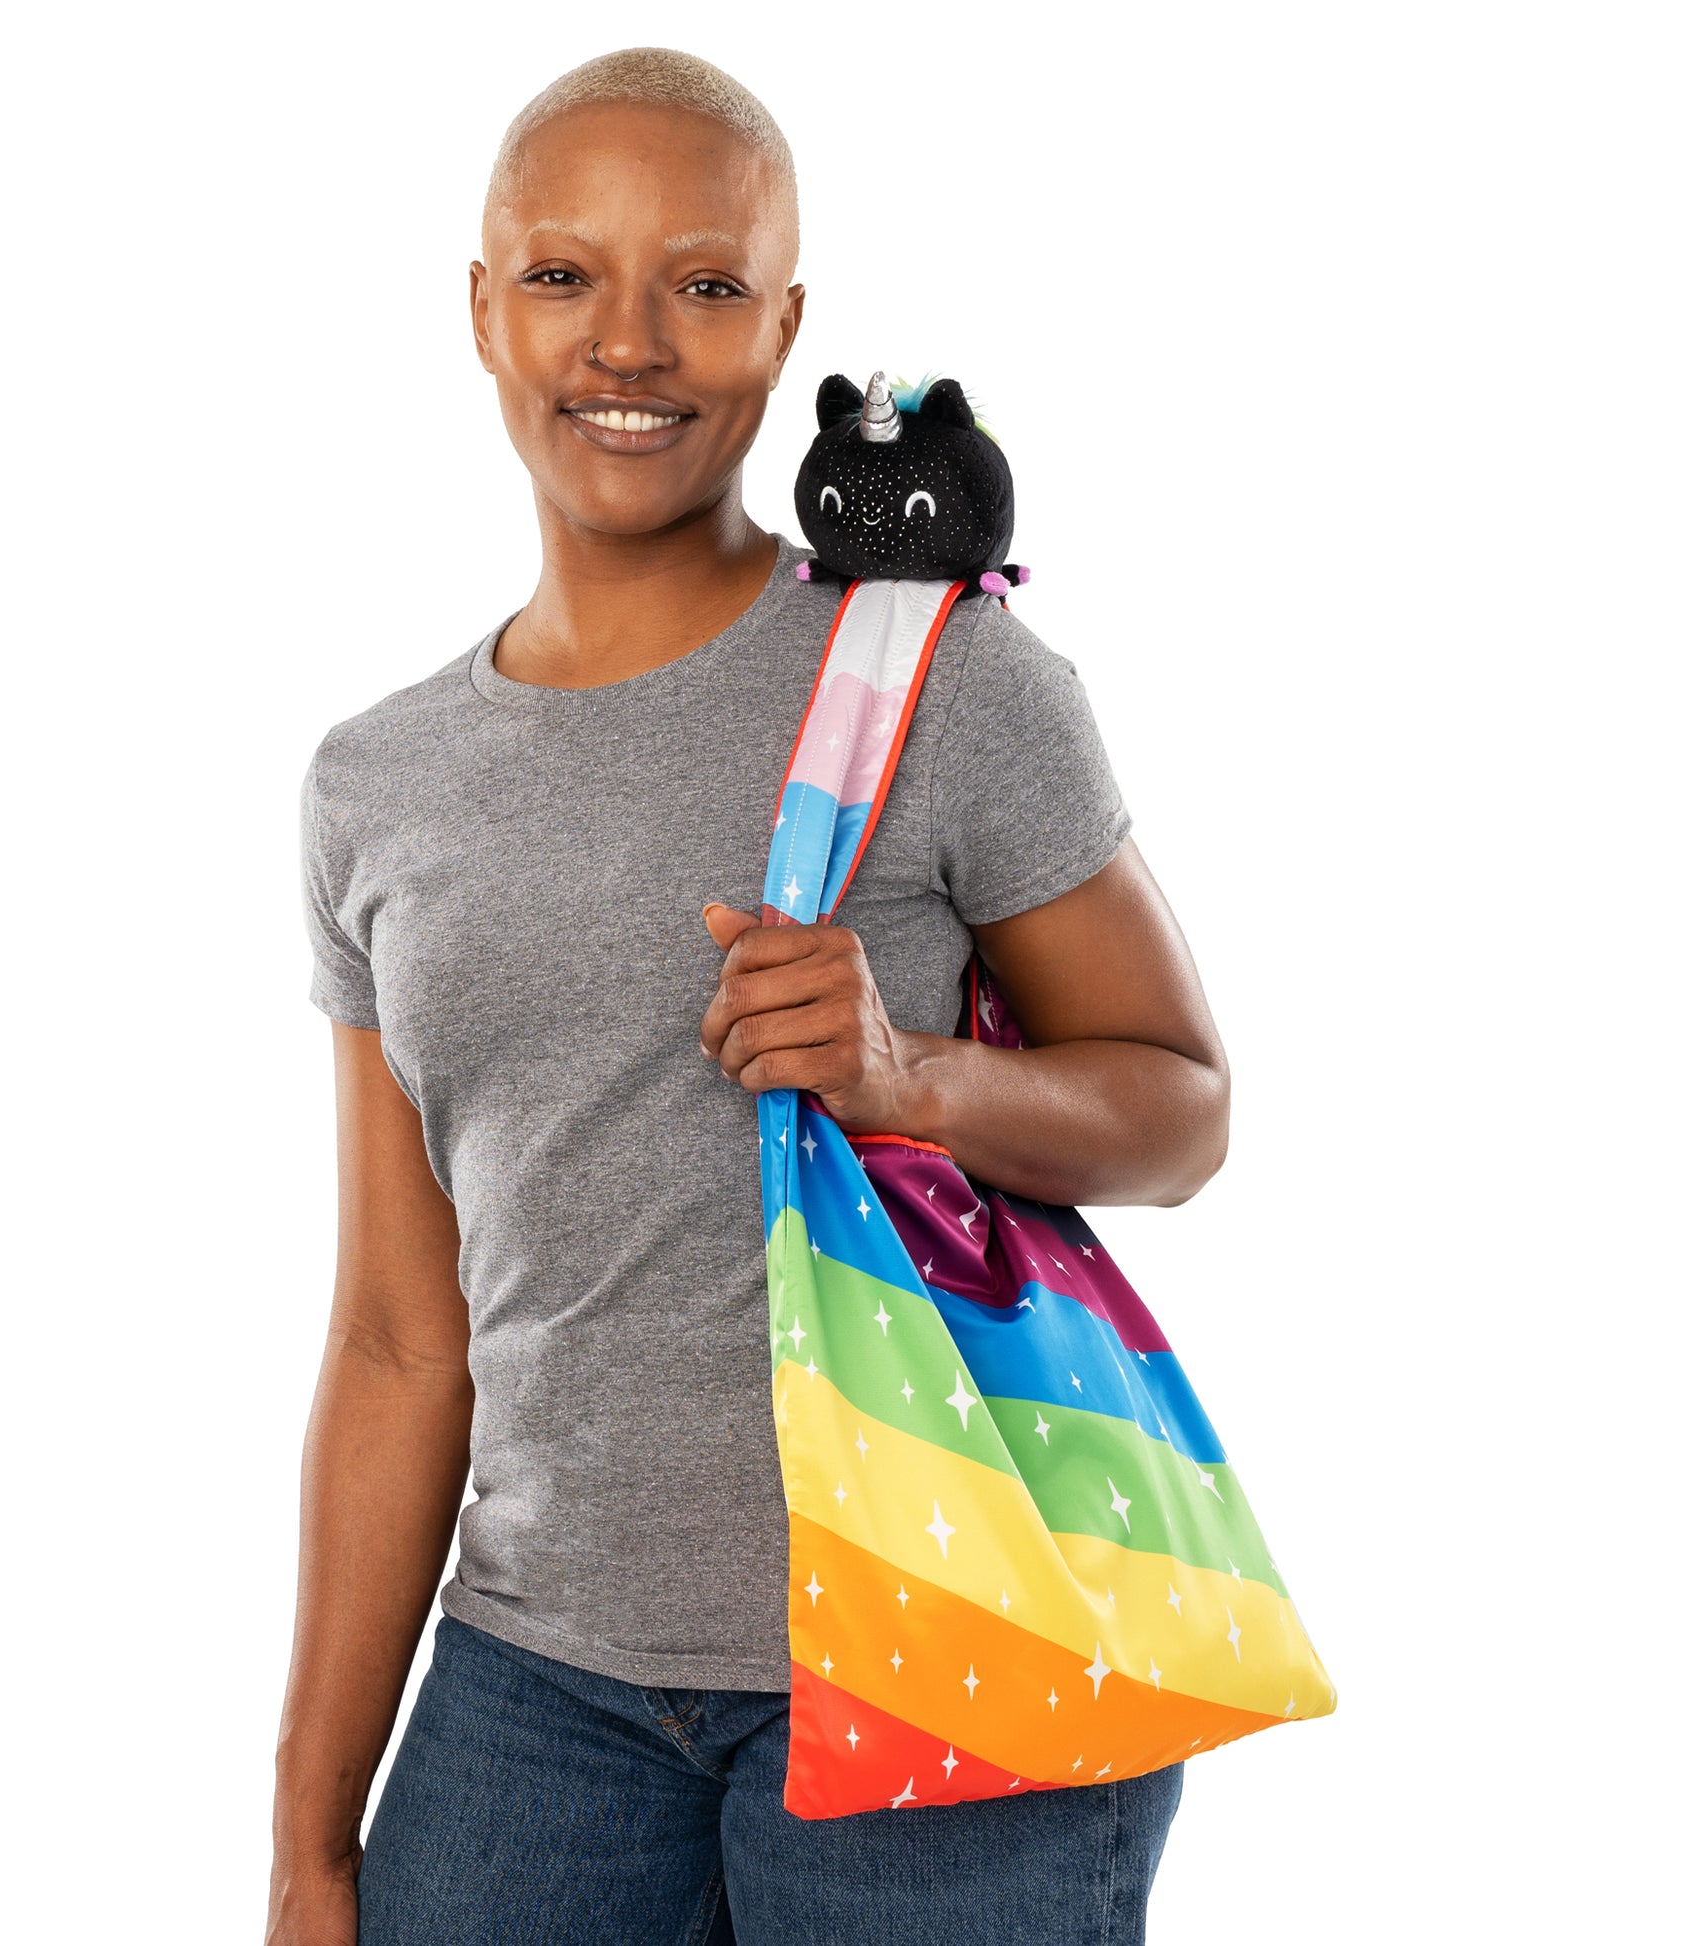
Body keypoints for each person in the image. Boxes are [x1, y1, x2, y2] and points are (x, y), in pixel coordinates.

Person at [267, 47, 1228, 1946]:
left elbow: (1185, 1108)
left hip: (947, 1653)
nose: (627, 345)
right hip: (536, 1688)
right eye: (562, 275)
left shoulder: (940, 683)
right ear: (480, 307)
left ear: (785, 328)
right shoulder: (375, 786)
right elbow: (396, 1334)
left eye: (703, 286)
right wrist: (307, 1841)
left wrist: (912, 1075)